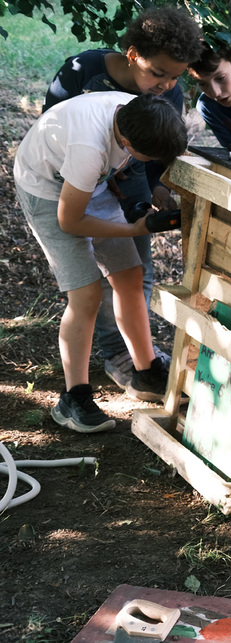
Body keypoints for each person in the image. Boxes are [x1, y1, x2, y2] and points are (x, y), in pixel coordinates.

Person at [44, 6, 203, 396]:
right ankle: (114, 352)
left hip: (131, 187)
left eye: (176, 77)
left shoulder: (170, 92)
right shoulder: (82, 73)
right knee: (91, 281)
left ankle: (140, 357)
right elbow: (54, 126)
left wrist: (157, 189)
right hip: (75, 182)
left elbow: (161, 152)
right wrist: (104, 180)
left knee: (135, 270)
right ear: (132, 54)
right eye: (157, 74)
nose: (166, 85)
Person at [14, 93, 188, 433]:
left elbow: (124, 169)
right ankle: (73, 398)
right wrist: (129, 229)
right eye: (147, 157)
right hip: (47, 190)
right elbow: (70, 221)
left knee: (129, 276)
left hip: (87, 183)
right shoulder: (88, 149)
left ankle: (146, 370)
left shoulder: (141, 112)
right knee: (86, 294)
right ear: (126, 143)